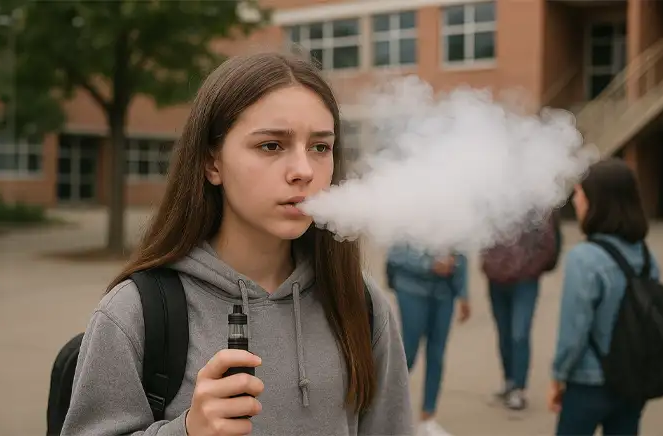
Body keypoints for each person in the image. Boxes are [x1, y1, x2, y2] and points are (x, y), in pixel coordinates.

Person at [60, 52, 413, 436]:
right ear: (212, 163)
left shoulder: (360, 302)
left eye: (320, 147)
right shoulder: (134, 312)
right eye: (271, 146)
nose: (304, 171)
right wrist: (187, 431)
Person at [549, 158, 657, 435]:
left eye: (580, 193)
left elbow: (574, 332)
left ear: (599, 201)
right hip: (633, 379)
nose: (576, 201)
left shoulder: (584, 259)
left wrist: (558, 376)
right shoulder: (646, 256)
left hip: (589, 382)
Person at [386, 245, 470, 436]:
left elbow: (463, 249)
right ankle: (387, 413)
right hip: (412, 289)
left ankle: (428, 418)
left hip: (445, 291)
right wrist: (428, 264)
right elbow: (394, 253)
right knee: (408, 353)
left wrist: (464, 293)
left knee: (437, 355)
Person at [480, 211, 561, 411]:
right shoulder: (494, 201)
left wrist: (531, 267)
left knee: (519, 334)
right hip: (496, 278)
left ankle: (519, 388)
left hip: (524, 281)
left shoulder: (537, 204)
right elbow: (482, 235)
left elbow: (548, 242)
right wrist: (488, 263)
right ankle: (508, 381)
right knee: (504, 333)